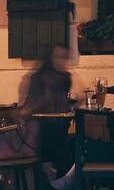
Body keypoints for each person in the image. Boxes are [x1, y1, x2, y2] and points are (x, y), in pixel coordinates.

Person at [18, 44, 74, 181]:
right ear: (50, 58)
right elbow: (26, 109)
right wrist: (42, 103)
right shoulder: (37, 78)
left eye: (65, 57)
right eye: (59, 57)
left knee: (76, 144)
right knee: (59, 144)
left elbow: (66, 105)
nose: (63, 61)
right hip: (39, 132)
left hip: (60, 129)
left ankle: (60, 187)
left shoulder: (66, 78)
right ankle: (55, 186)